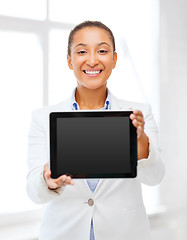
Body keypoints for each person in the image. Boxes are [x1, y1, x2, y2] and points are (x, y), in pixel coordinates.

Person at [27, 21, 165, 240]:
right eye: (82, 51)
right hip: (63, 232)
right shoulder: (42, 118)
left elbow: (155, 177)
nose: (92, 60)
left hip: (124, 233)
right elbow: (33, 192)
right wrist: (47, 182)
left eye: (102, 51)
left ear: (114, 59)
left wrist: (141, 141)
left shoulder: (139, 114)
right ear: (69, 61)